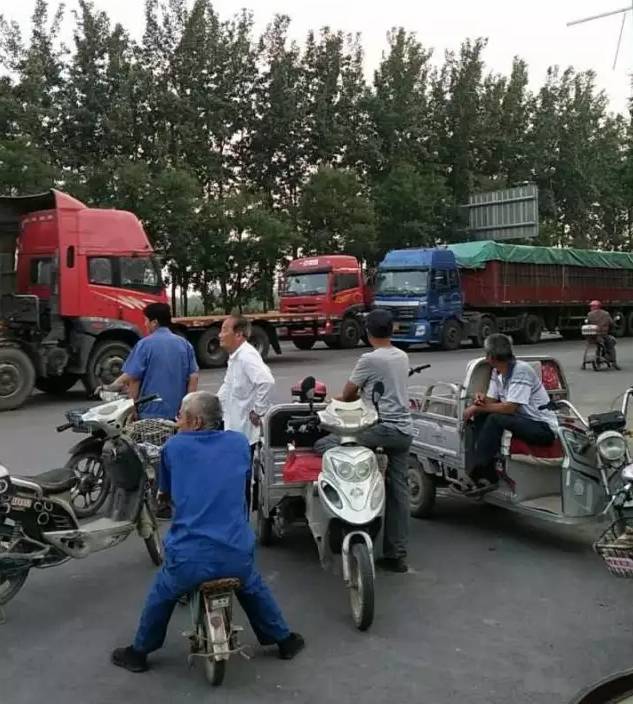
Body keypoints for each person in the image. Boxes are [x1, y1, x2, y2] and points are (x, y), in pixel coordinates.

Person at [111, 391, 304, 673]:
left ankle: (139, 652)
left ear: (197, 422)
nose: (177, 420)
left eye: (181, 415)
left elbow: (165, 492)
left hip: (189, 558)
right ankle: (284, 640)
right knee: (251, 585)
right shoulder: (239, 443)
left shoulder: (174, 448)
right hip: (236, 552)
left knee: (162, 592)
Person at [316, 308, 413, 574]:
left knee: (322, 446)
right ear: (391, 330)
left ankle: (347, 519)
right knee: (399, 489)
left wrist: (327, 406)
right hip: (404, 432)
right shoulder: (401, 356)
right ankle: (396, 553)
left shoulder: (369, 359)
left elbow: (348, 394)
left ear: (367, 332)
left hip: (380, 428)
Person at [462, 333, 558, 490]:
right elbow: (492, 401)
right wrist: (480, 399)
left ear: (491, 356)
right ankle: (488, 472)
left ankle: (478, 471)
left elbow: (510, 407)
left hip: (542, 427)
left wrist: (475, 407)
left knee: (494, 418)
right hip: (522, 422)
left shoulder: (521, 370)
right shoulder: (497, 372)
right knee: (481, 416)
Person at [101, 302, 199, 420]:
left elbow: (134, 378)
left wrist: (132, 410)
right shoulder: (185, 345)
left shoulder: (144, 345)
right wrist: (186, 410)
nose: (145, 324)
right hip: (177, 414)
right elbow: (193, 378)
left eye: (146, 320)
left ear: (154, 322)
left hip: (149, 414)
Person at [218, 315, 275, 508]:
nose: (220, 335)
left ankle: (241, 521)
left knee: (240, 478)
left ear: (239, 334)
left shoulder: (246, 356)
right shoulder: (235, 357)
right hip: (233, 427)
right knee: (233, 478)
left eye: (225, 330)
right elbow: (227, 388)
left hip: (244, 432)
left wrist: (258, 411)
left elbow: (266, 381)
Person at [587, 300, 619, 369]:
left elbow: (588, 324)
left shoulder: (589, 314)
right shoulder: (606, 314)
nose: (590, 308)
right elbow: (611, 323)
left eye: (591, 306)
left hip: (592, 337)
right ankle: (614, 362)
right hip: (603, 335)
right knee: (611, 346)